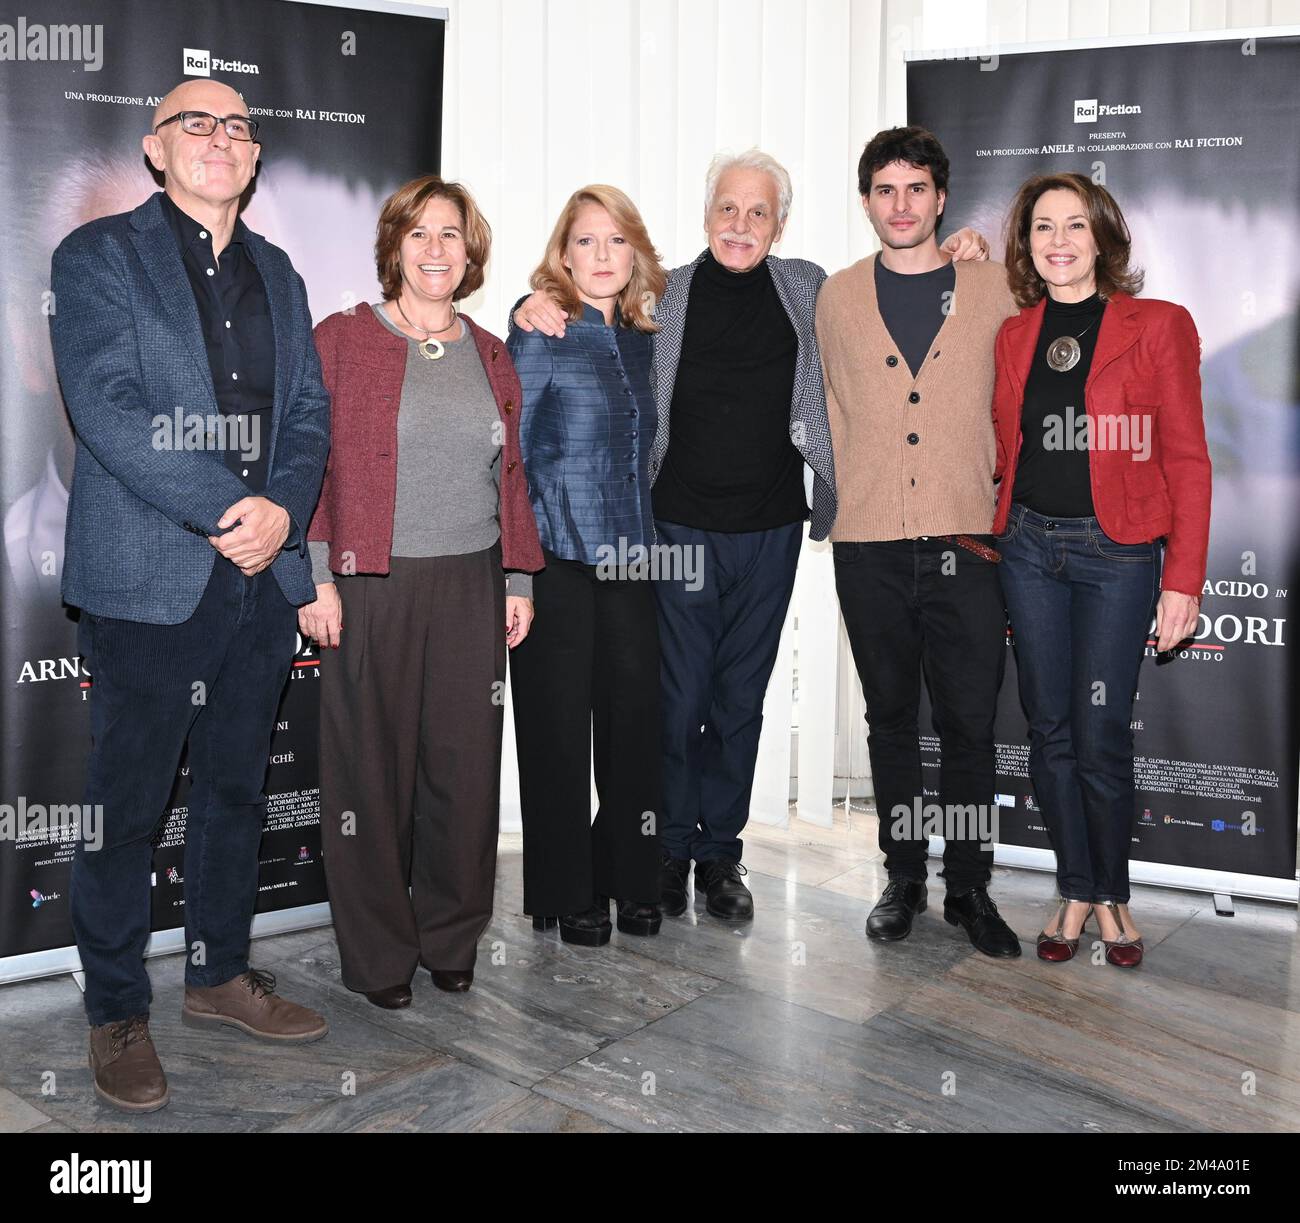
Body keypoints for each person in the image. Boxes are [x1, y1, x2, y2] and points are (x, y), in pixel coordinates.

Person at [515, 149, 989, 924]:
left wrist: (967, 248)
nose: (741, 225)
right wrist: (535, 298)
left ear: (781, 224)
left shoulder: (808, 288)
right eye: (728, 209)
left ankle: (720, 854)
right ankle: (665, 848)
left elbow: (896, 284)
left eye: (758, 212)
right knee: (676, 699)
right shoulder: (661, 297)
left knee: (740, 701)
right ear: (706, 217)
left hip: (771, 531)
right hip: (673, 529)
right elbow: (580, 311)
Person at [48, 79, 332, 1113]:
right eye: (195, 125)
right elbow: (107, 409)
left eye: (236, 128)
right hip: (149, 578)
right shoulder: (98, 258)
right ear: (155, 150)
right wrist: (232, 510)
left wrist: (283, 512)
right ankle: (115, 1009)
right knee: (125, 812)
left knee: (233, 794)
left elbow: (306, 415)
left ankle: (216, 975)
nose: (219, 139)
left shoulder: (282, 273)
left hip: (259, 588)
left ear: (253, 161)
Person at [301, 175, 542, 1009]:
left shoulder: (491, 351)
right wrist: (315, 577)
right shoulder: (339, 339)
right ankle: (377, 956)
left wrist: (517, 578)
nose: (436, 248)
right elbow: (310, 469)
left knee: (464, 772)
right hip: (370, 583)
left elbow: (511, 475)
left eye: (451, 233)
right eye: (419, 233)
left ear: (470, 251)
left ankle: (450, 936)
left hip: (472, 583)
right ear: (394, 247)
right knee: (368, 776)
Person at [993, 172, 1211, 967]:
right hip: (1028, 547)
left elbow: (1187, 456)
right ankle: (1075, 886)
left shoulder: (1157, 325)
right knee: (1048, 727)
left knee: (1101, 729)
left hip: (1116, 552)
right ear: (1027, 244)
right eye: (1042, 227)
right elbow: (1005, 445)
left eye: (1074, 225)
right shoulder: (1014, 335)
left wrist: (1182, 577)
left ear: (1102, 238)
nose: (1057, 241)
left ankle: (1112, 892)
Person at [817, 126, 1021, 958]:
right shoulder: (834, 296)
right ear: (867, 202)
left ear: (941, 198)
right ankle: (902, 873)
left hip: (968, 544)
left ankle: (969, 886)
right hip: (867, 540)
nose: (900, 205)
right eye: (884, 190)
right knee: (890, 719)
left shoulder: (997, 287)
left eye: (916, 189)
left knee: (970, 723)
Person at [506, 186, 667, 945]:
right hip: (555, 560)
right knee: (556, 735)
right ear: (561, 256)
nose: (601, 256)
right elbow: (509, 457)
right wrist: (515, 569)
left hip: (635, 557)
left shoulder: (646, 337)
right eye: (585, 242)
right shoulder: (540, 335)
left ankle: (631, 876)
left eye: (616, 241)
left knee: (635, 728)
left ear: (635, 251)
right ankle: (565, 891)